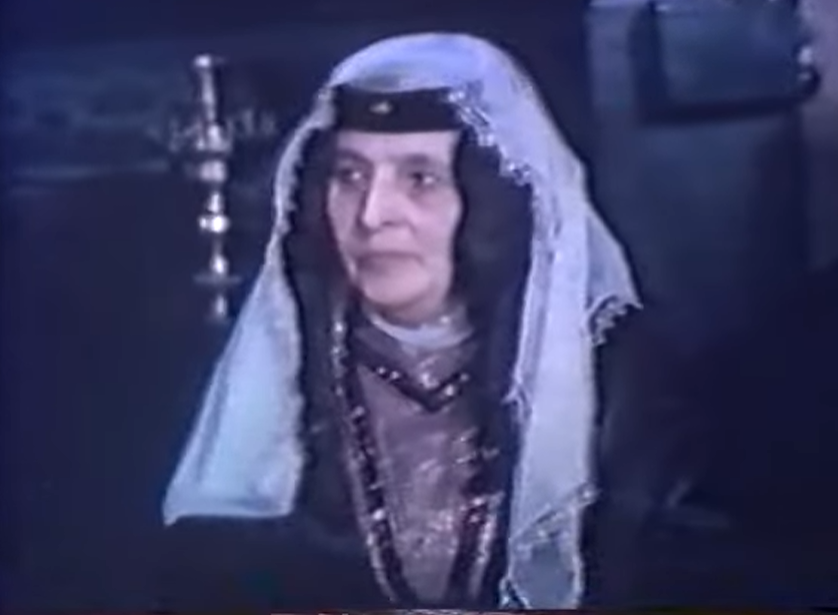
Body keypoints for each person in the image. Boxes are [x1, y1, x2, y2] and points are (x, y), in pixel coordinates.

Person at [159, 32, 640, 610]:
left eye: (420, 178)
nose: (372, 214)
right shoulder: (283, 375)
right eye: (350, 176)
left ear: (494, 200)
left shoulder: (619, 389)